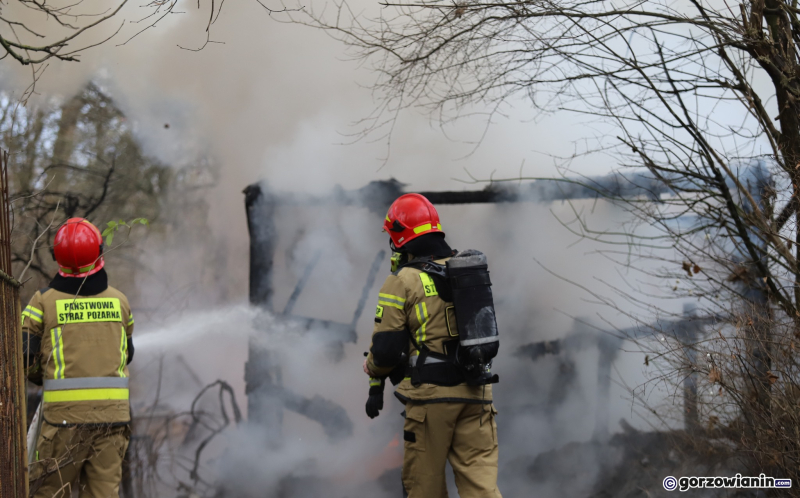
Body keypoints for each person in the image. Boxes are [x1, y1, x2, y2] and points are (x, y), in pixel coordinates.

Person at [363, 193, 502, 498]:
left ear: (399, 237)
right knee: (482, 489)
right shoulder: (464, 270)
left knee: (424, 488)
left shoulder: (402, 280)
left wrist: (373, 370)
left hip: (432, 402)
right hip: (478, 394)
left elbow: (385, 350)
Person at [23, 217, 135, 498]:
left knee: (46, 492)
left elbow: (25, 358)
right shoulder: (119, 301)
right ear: (99, 253)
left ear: (57, 257)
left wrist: (39, 375)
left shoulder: (43, 301)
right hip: (112, 421)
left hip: (63, 423)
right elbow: (127, 354)